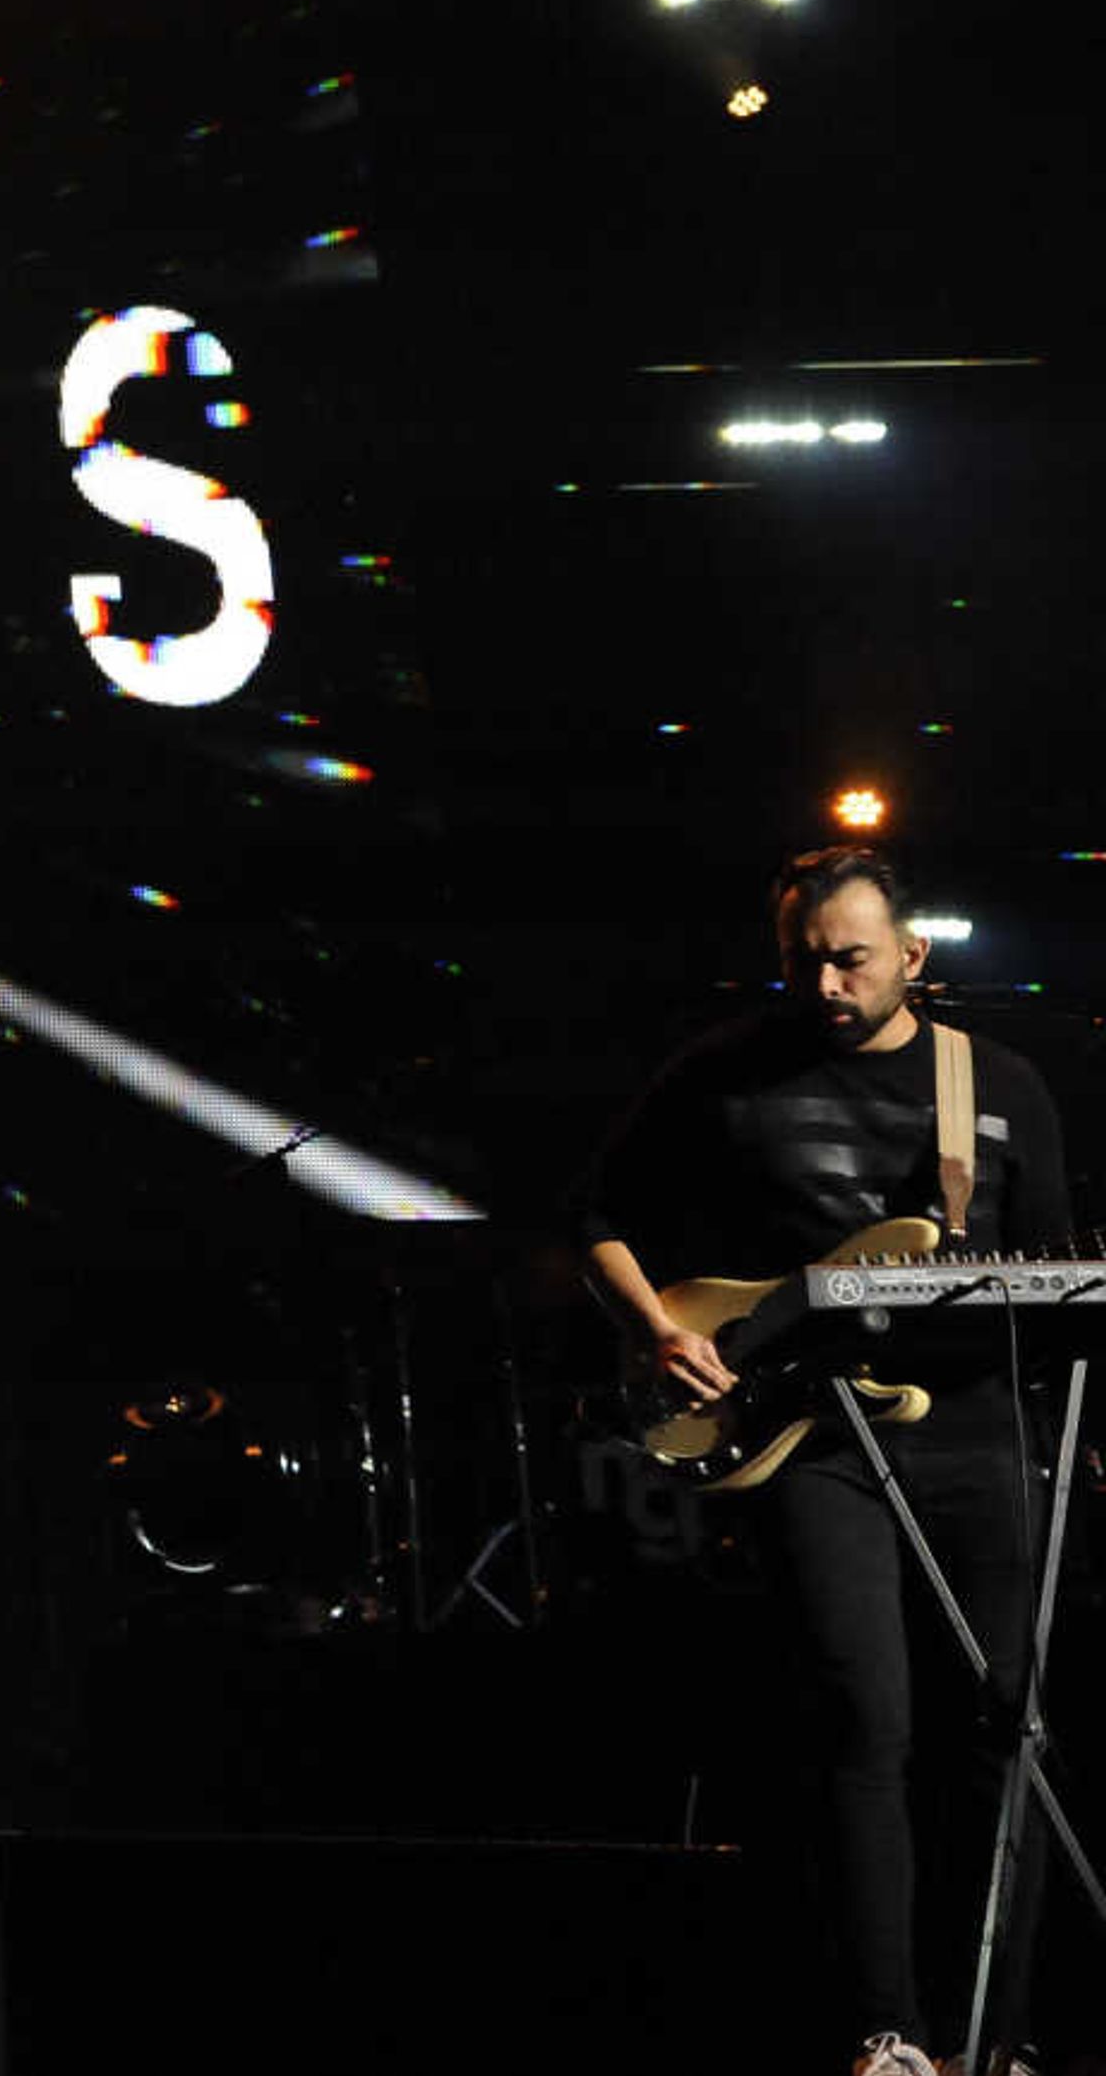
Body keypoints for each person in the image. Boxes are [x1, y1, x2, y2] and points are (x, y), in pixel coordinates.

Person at [578, 846, 1072, 2076]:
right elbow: (593, 1210)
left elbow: (1059, 1277)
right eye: (804, 956)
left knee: (1003, 1730)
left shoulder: (996, 1084)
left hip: (974, 1438)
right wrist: (660, 1331)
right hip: (813, 1438)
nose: (825, 979)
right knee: (865, 1719)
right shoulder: (726, 1074)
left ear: (914, 956)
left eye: (851, 956)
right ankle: (889, 2031)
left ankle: (996, 2035)